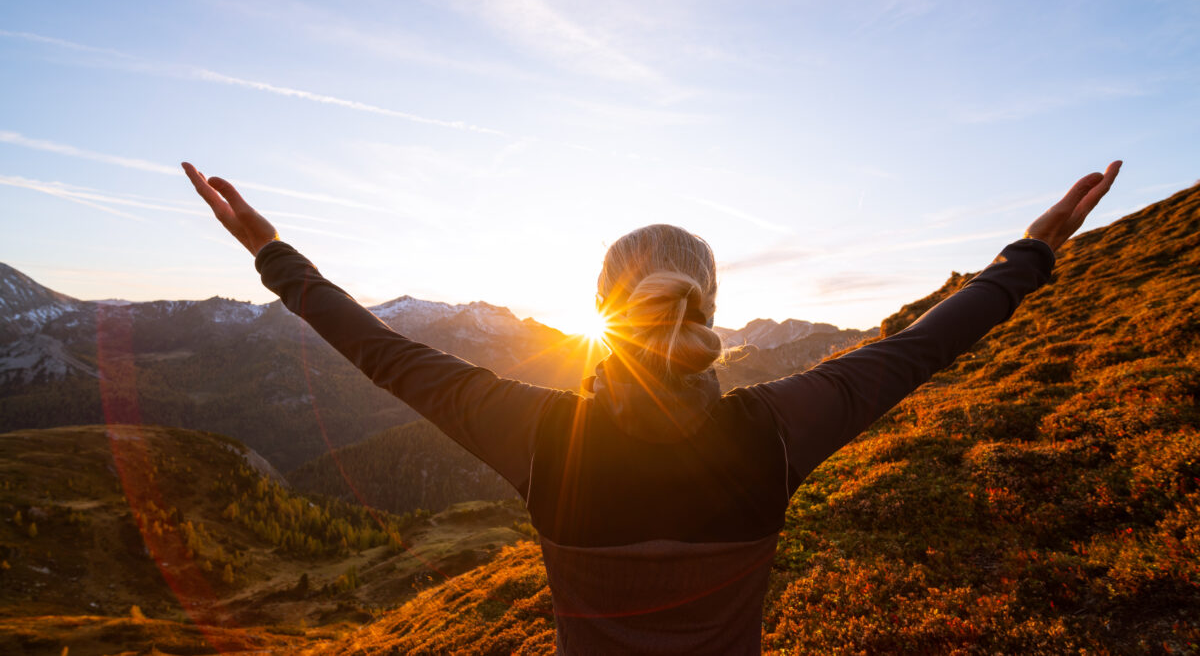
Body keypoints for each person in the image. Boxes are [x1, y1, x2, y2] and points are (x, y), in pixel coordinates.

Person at [184, 160, 1121, 654]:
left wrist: (274, 253)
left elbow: (384, 354)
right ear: (709, 305)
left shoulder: (541, 435)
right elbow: (920, 348)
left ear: (605, 308)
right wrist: (1032, 252)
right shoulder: (782, 428)